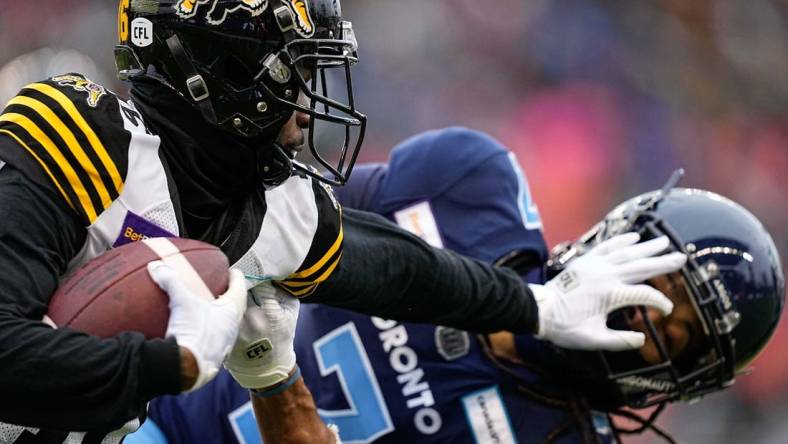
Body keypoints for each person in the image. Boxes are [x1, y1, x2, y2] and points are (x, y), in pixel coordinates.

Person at [0, 2, 686, 443]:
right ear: (219, 72)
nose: (309, 104)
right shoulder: (78, 132)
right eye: (293, 73)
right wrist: (172, 364)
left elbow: (393, 267)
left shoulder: (269, 207)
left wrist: (535, 303)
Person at [134, 128, 784, 444]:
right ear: (619, 235)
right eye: (654, 288)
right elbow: (272, 214)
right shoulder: (469, 184)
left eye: (674, 338)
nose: (642, 320)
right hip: (147, 395)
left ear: (680, 382)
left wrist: (278, 383)